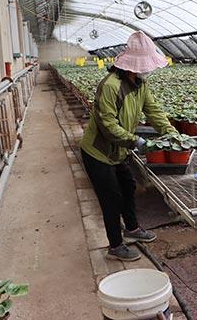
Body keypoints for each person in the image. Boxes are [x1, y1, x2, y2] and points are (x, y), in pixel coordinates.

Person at [80, 31, 177, 261]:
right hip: (98, 152)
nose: (148, 70)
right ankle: (115, 245)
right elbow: (107, 125)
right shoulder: (111, 86)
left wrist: (171, 133)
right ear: (132, 66)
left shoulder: (139, 85)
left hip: (119, 151)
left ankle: (132, 229)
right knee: (111, 198)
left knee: (128, 185)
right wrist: (136, 141)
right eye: (146, 66)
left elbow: (153, 110)